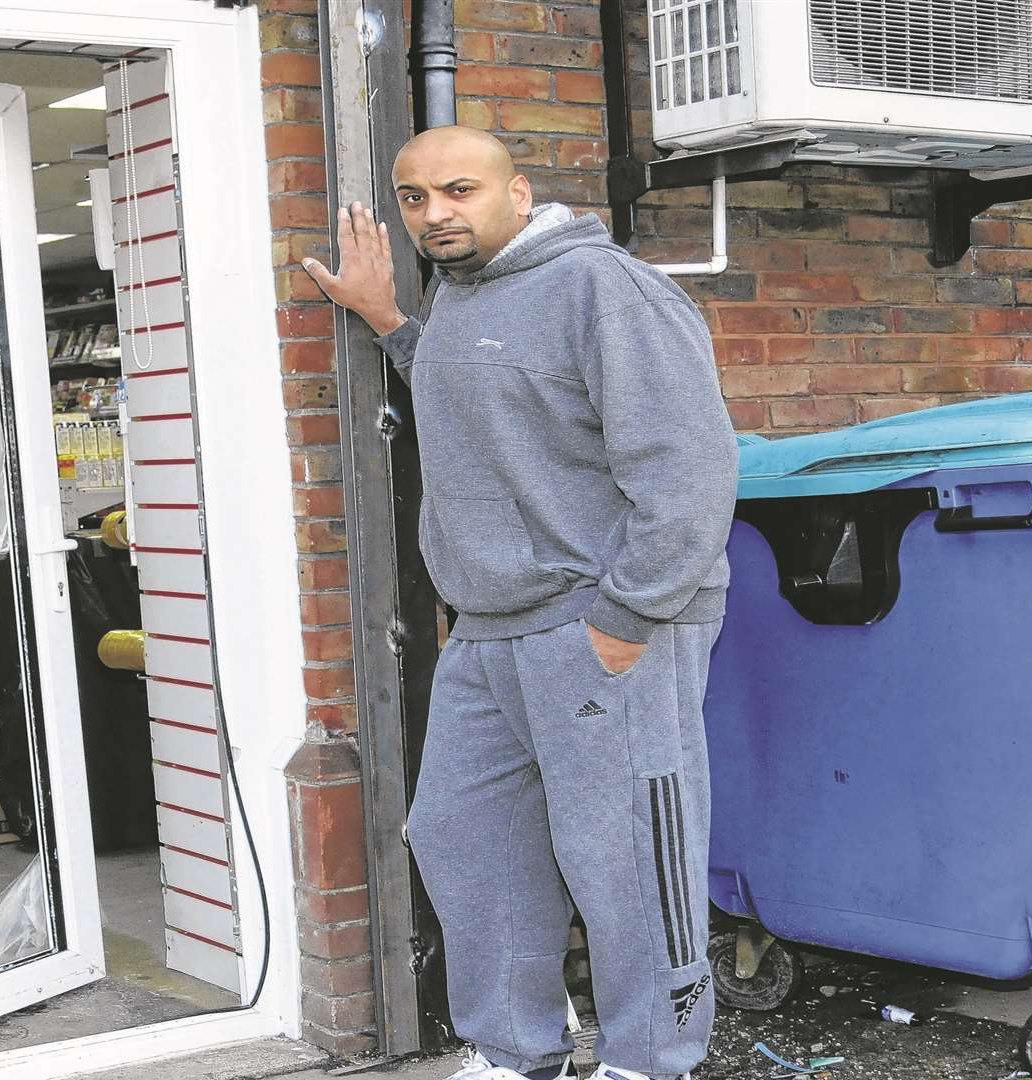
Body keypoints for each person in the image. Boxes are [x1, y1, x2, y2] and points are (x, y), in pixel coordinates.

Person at [302, 127, 738, 1080]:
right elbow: (488, 402)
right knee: (461, 835)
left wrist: (627, 620)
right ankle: (514, 1052)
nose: (434, 214)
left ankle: (650, 1060)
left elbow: (691, 472)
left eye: (459, 190)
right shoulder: (462, 296)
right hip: (490, 631)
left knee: (627, 855)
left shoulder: (603, 288)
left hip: (604, 619)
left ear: (519, 191)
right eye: (414, 198)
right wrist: (389, 321)